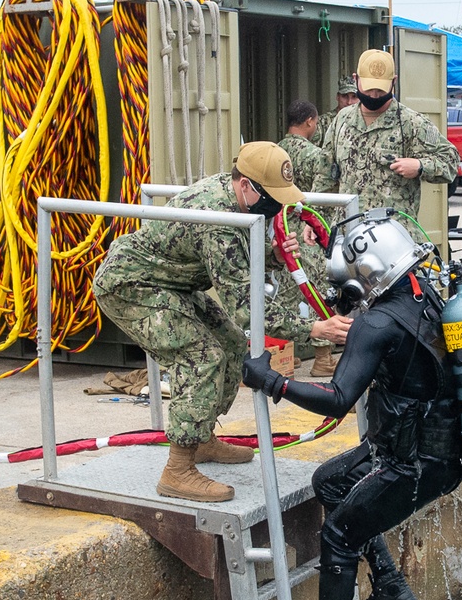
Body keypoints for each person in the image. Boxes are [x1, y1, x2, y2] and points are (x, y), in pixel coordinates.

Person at [242, 210, 462, 600]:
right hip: (436, 449)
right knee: (330, 481)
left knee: (340, 534)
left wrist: (273, 382)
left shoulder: (377, 323)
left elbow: (338, 398)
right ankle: (387, 581)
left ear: (370, 274)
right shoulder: (429, 299)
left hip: (411, 463)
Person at [93, 141, 352, 504]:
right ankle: (178, 470)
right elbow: (247, 306)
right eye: (272, 196)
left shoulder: (236, 200)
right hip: (131, 285)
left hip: (170, 281)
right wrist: (311, 329)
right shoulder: (218, 220)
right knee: (202, 357)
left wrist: (274, 255)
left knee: (230, 343)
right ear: (246, 184)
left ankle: (200, 440)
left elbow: (238, 263)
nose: (277, 206)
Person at [313, 50, 458, 239]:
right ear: (356, 79)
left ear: (394, 82)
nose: (374, 95)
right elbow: (325, 174)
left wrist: (420, 166)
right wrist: (314, 218)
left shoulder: (411, 123)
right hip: (348, 235)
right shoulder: (342, 119)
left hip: (394, 240)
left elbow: (450, 161)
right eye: (368, 88)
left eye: (380, 90)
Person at [278, 100, 337, 377]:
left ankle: (283, 355)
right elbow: (325, 183)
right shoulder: (315, 154)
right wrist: (315, 221)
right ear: (311, 122)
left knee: (286, 293)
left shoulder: (275, 152)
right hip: (306, 231)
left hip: (281, 233)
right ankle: (323, 358)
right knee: (317, 291)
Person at [312, 76, 359, 148]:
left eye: (354, 97)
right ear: (337, 97)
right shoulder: (323, 122)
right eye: (345, 96)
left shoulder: (363, 122)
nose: (349, 102)